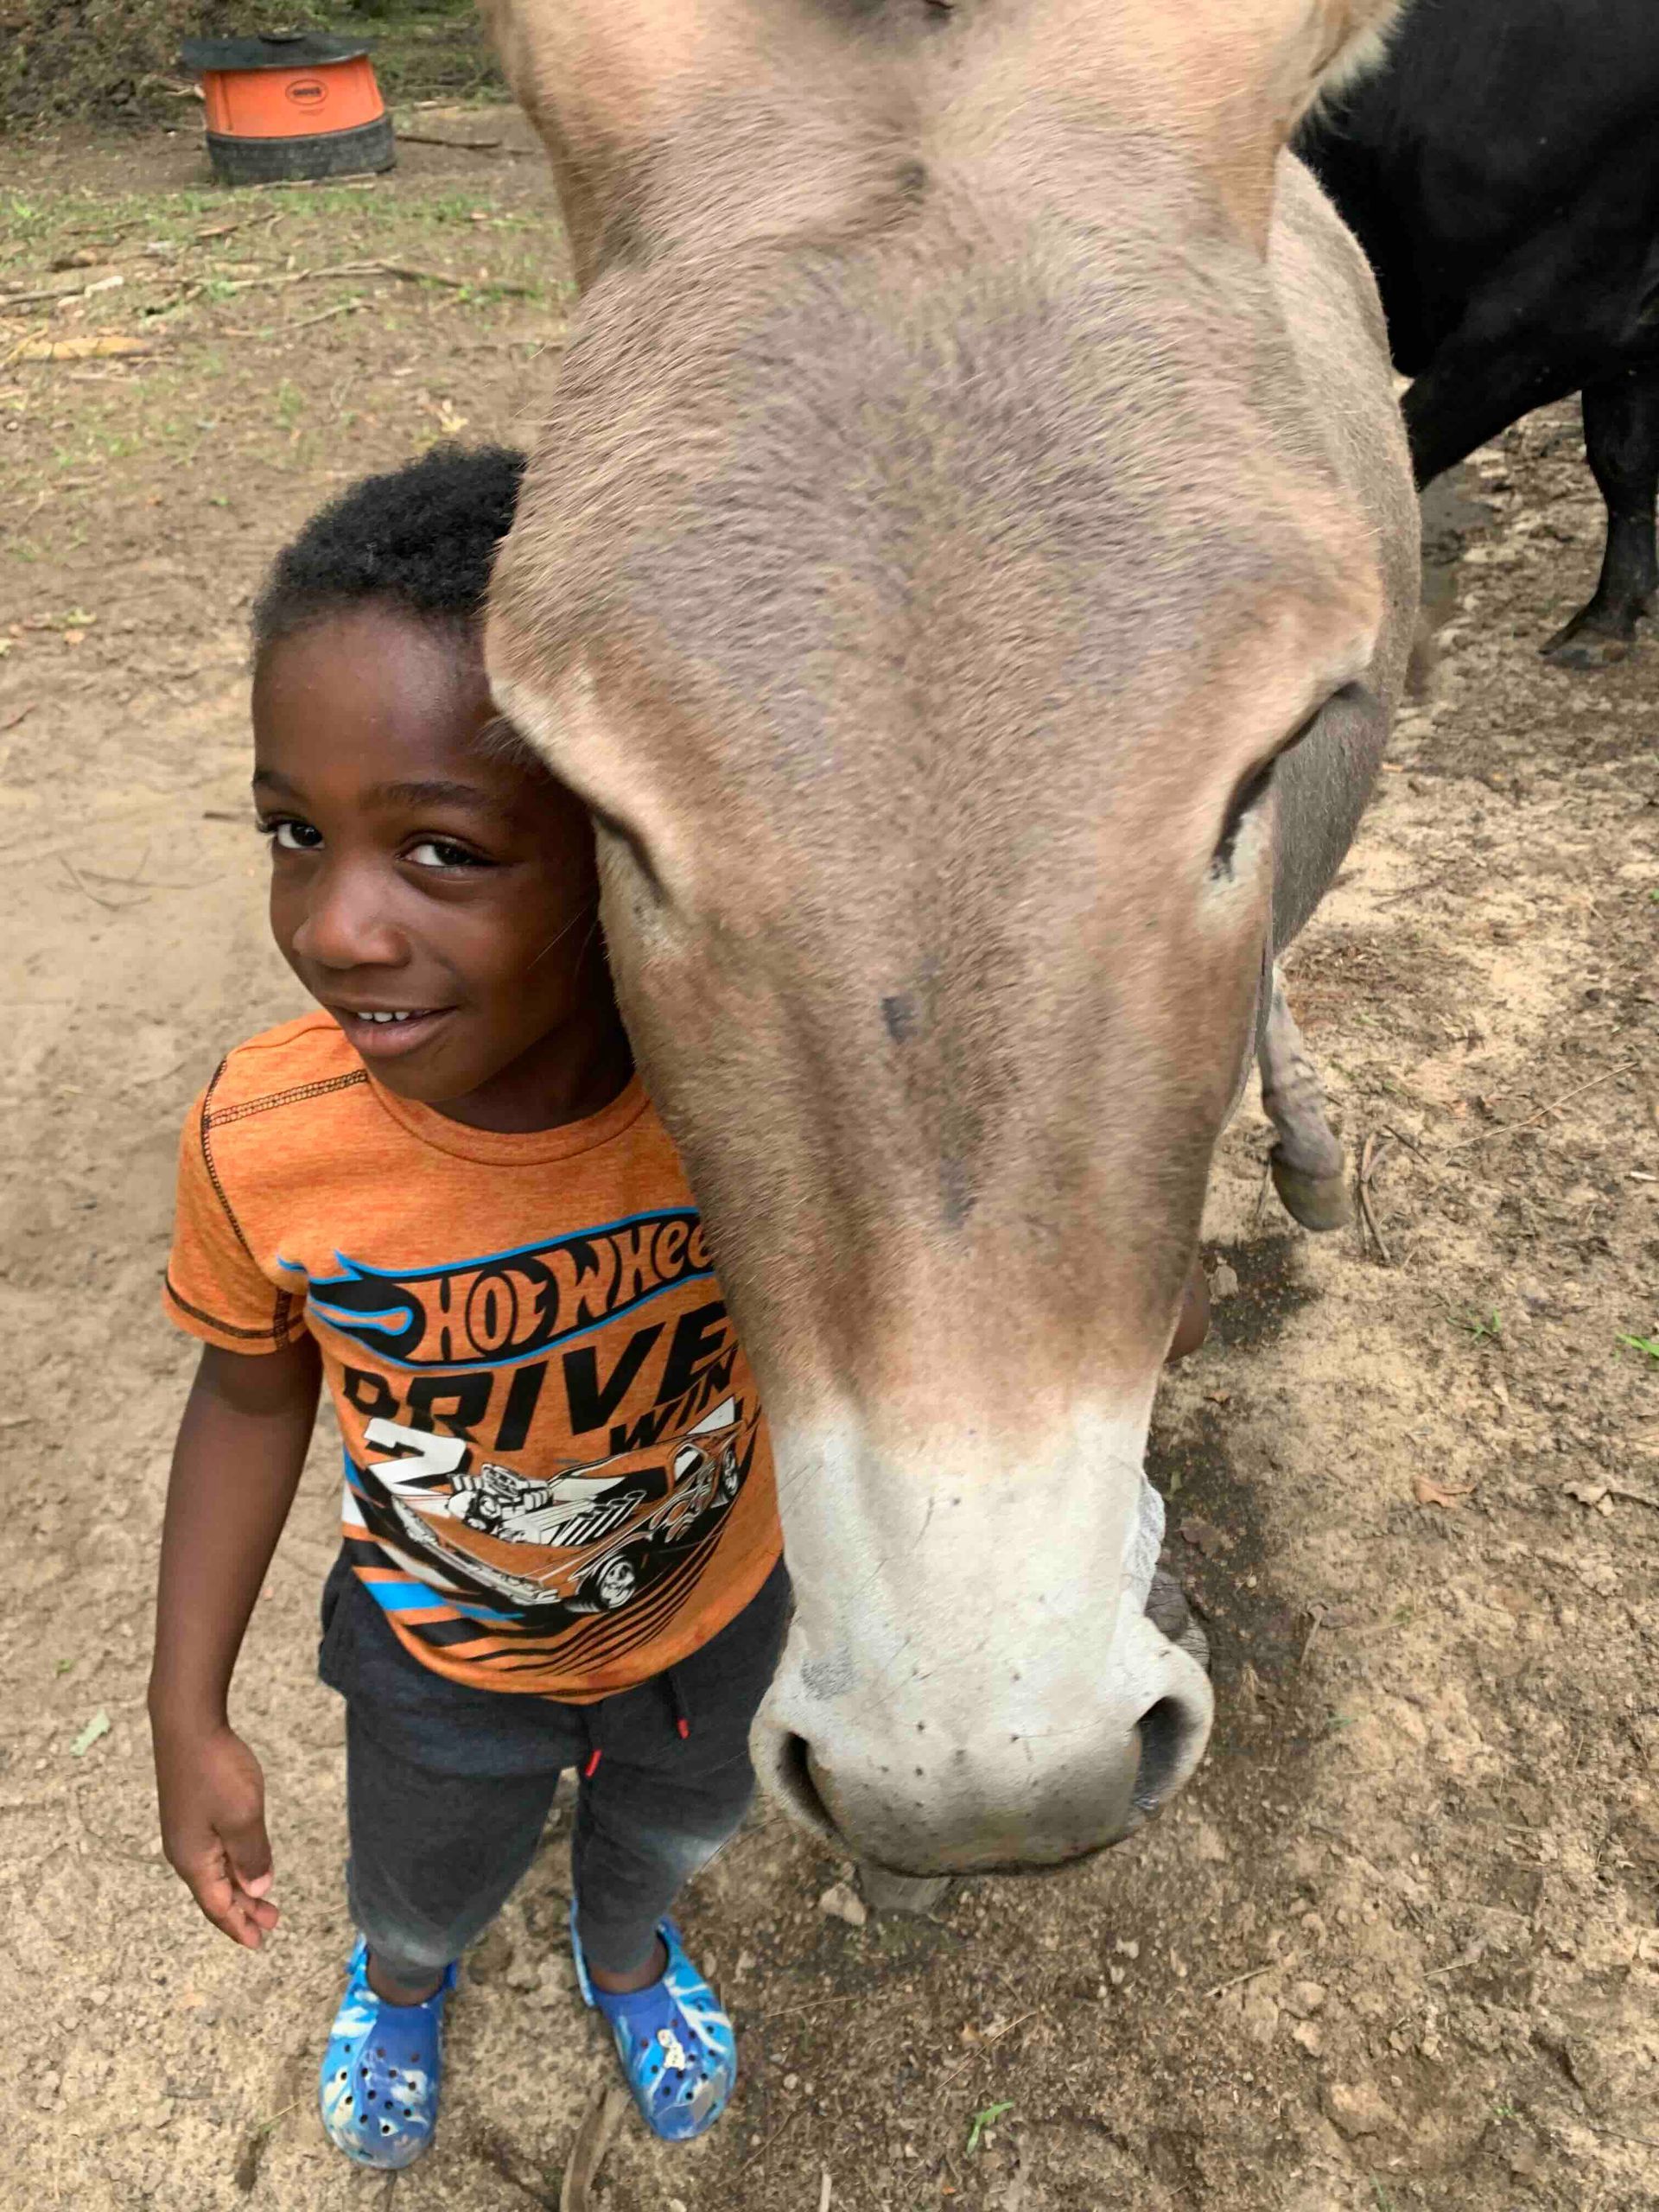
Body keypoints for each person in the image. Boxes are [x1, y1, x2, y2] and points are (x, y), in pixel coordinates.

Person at [148, 447, 787, 2171]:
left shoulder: (749, 1100)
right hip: (440, 1661)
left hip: (713, 1620)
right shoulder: (267, 1138)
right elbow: (250, 1396)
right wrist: (185, 1704)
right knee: (420, 1870)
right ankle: (406, 1977)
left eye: (441, 848)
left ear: (622, 844)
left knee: (676, 1825)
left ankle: (627, 1949)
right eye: (296, 829)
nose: (336, 923)